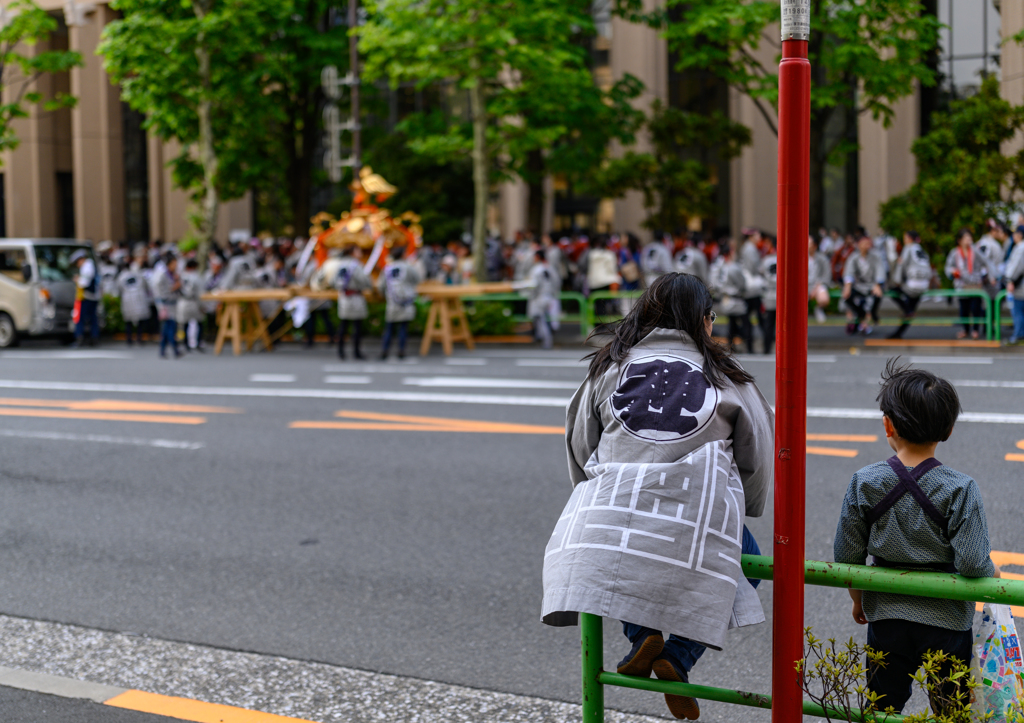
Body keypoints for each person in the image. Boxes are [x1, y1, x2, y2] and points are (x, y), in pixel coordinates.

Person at [542, 272, 773, 721]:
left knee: (621, 555)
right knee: (748, 557)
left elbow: (580, 443)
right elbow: (757, 456)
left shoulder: (610, 366)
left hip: (615, 507)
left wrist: (592, 494)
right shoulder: (728, 378)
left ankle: (641, 633)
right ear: (704, 321)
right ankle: (679, 655)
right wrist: (745, 506)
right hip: (696, 513)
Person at [833, 360, 1000, 714]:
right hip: (948, 621)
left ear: (887, 424)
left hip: (887, 617)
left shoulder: (865, 481)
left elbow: (847, 557)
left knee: (882, 707)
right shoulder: (960, 487)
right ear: (949, 429)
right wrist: (994, 575)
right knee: (950, 710)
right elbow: (972, 562)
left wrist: (858, 599)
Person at [944, 228, 992, 339]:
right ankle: (965, 330)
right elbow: (948, 267)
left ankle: (975, 330)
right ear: (959, 240)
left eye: (970, 237)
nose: (968, 240)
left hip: (975, 285)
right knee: (963, 310)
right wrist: (953, 272)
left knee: (976, 309)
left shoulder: (975, 251)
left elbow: (986, 263)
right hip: (962, 286)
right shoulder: (954, 253)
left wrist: (989, 276)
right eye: (966, 238)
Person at [886, 231, 933, 340]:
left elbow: (902, 266)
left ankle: (907, 313)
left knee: (893, 291)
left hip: (912, 285)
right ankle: (898, 333)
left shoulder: (908, 248)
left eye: (905, 238)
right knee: (910, 309)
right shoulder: (922, 251)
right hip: (923, 285)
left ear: (909, 239)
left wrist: (897, 280)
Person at [378, 246, 421, 360]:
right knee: (403, 327)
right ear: (403, 254)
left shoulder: (387, 268)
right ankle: (401, 350)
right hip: (405, 301)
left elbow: (380, 286)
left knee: (389, 328)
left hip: (392, 301)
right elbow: (418, 279)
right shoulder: (408, 267)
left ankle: (385, 349)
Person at [842, 234, 885, 335]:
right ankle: (861, 315)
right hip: (858, 285)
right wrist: (847, 286)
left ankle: (872, 315)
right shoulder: (853, 257)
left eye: (868, 243)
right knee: (848, 297)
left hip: (872, 285)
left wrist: (877, 285)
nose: (867, 245)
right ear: (859, 244)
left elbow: (880, 271)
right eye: (865, 243)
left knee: (877, 296)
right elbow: (849, 273)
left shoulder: (875, 257)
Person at [334, 246, 372, 360]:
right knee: (357, 326)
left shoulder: (339, 264)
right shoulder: (356, 265)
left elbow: (333, 281)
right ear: (352, 252)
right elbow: (364, 280)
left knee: (343, 325)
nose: (360, 252)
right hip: (355, 297)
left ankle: (340, 351)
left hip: (344, 297)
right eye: (358, 250)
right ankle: (356, 352)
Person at [711, 240, 748, 352]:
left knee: (732, 323)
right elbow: (742, 283)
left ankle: (732, 345)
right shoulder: (732, 266)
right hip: (735, 298)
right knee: (743, 323)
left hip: (726, 297)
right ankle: (746, 344)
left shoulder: (719, 265)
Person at [525, 248, 559, 349]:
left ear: (537, 257)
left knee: (541, 320)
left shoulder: (536, 269)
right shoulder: (549, 267)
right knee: (546, 319)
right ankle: (543, 339)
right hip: (549, 296)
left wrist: (531, 294)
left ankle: (546, 341)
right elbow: (556, 282)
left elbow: (533, 285)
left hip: (539, 297)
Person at [151, 253, 182, 358]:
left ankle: (163, 350)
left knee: (166, 328)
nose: (176, 265)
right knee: (170, 327)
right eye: (174, 263)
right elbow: (160, 290)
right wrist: (174, 287)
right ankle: (174, 348)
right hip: (165, 304)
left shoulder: (172, 274)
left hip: (171, 303)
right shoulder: (163, 275)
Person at [117, 258, 151, 346]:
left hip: (127, 300)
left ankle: (129, 339)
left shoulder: (121, 276)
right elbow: (146, 286)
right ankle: (139, 338)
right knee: (140, 321)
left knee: (128, 322)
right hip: (139, 299)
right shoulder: (139, 275)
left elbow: (118, 289)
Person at [70, 249, 100, 347]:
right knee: (93, 319)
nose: (77, 265)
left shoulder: (87, 266)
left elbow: (84, 283)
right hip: (93, 297)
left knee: (80, 319)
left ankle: (80, 338)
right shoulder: (90, 265)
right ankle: (93, 338)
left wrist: (77, 279)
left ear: (80, 260)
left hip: (87, 297)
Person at [586, 235, 620, 317]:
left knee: (595, 305)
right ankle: (603, 324)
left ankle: (596, 324)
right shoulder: (609, 255)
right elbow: (612, 269)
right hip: (606, 282)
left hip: (593, 282)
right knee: (604, 305)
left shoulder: (590, 254)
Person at [176, 258, 205, 351]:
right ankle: (198, 342)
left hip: (182, 301)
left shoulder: (181, 276)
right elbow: (200, 292)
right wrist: (203, 305)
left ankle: (185, 343)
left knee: (184, 324)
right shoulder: (196, 276)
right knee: (199, 322)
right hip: (194, 301)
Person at [1005, 227, 1024, 344]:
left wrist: (1010, 280)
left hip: (1019, 286)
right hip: (1020, 285)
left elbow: (1016, 267)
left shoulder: (1021, 247)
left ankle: (1018, 335)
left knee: (1017, 311)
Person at [759, 239, 777, 355]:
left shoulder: (766, 260)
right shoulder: (786, 258)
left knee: (769, 324)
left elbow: (761, 273)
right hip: (782, 295)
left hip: (770, 293)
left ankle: (766, 348)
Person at [808, 236, 831, 324]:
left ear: (815, 246)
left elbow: (826, 275)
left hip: (818, 284)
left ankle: (818, 309)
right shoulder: (800, 258)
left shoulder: (822, 259)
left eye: (809, 244)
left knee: (824, 299)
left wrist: (816, 288)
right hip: (804, 285)